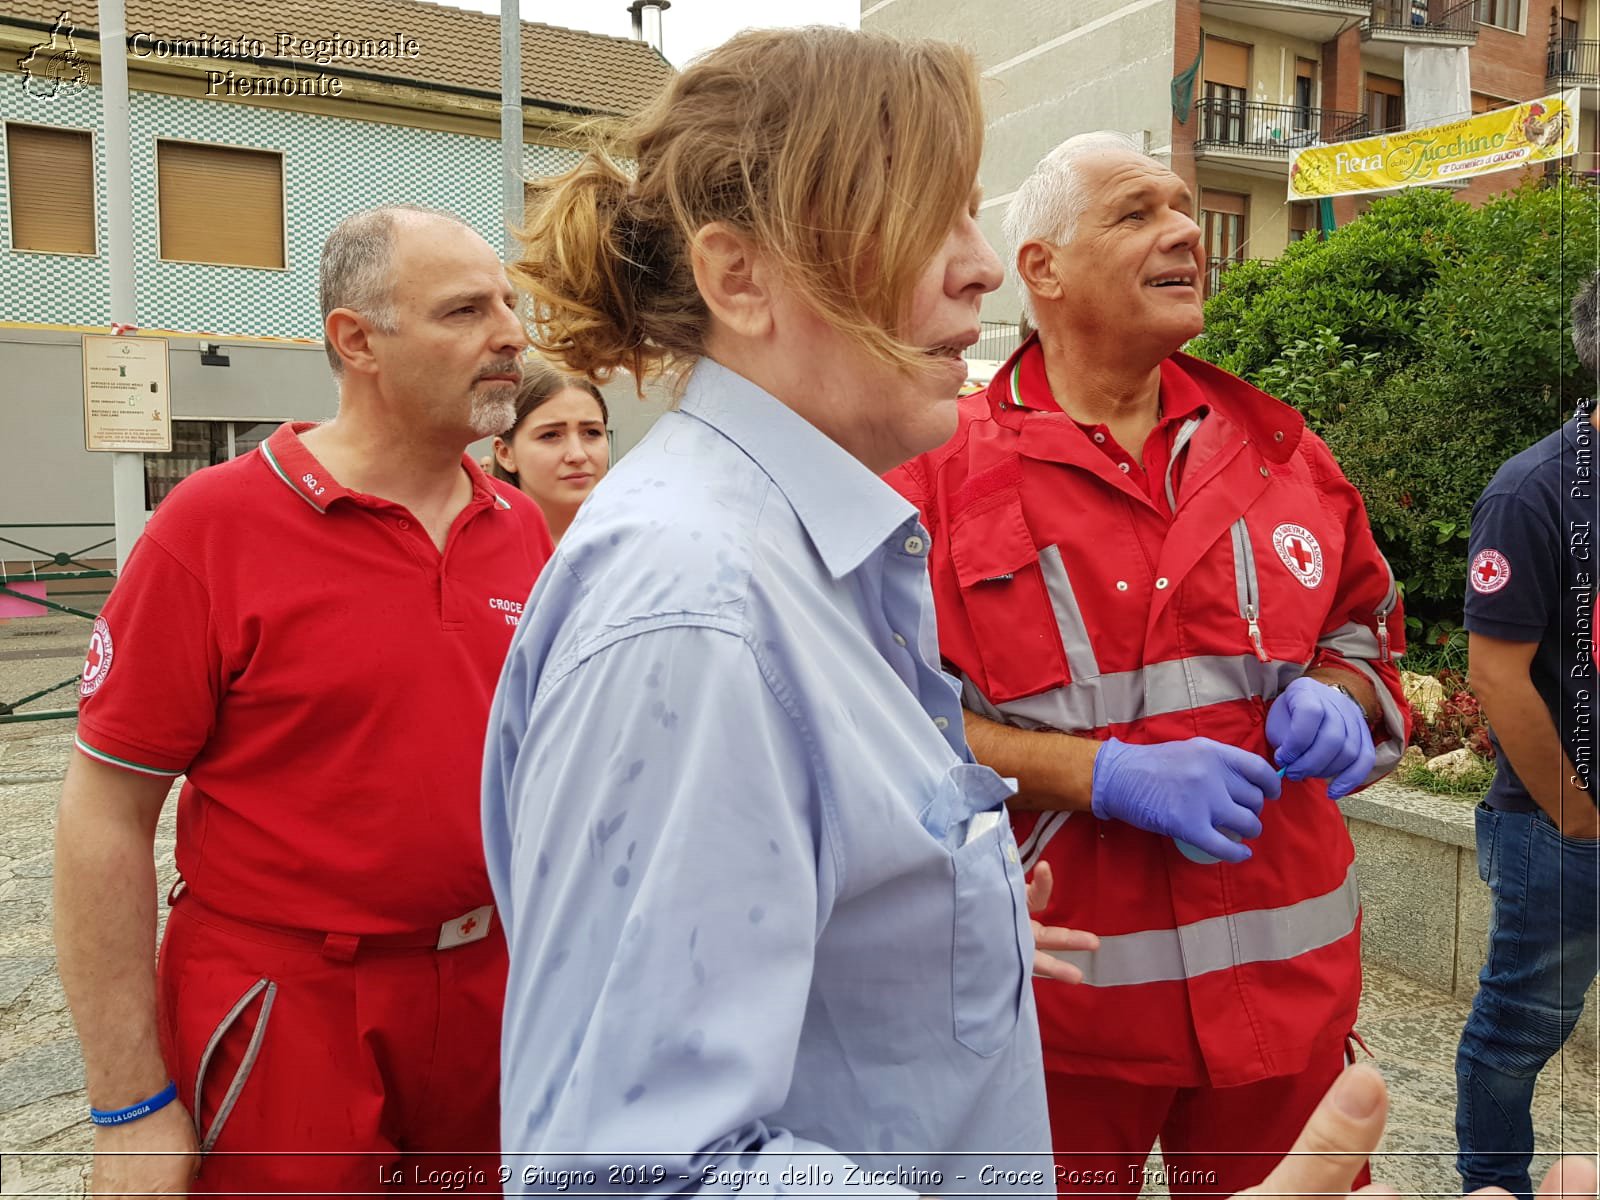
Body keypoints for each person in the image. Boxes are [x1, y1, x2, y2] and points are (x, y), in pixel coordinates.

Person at [886, 130, 1411, 1196]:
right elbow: (884, 725)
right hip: (1056, 1020)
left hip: (1287, 1005)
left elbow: (1365, 627)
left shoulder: (1279, 450)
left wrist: (1342, 692)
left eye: (1182, 208)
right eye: (1136, 214)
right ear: (1040, 269)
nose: (1183, 231)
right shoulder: (935, 475)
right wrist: (1099, 775)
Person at [53, 204, 554, 1196]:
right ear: (355, 340)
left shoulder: (521, 528)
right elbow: (104, 816)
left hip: (495, 996)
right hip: (289, 1008)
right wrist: (129, 1104)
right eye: (465, 311)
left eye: (510, 303)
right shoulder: (212, 527)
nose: (511, 335)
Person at [1454, 271, 1600, 1200]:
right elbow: (1496, 675)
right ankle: (1492, 1186)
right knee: (1518, 1030)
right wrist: (1579, 820)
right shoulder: (1537, 491)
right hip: (1560, 831)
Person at [491, 364, 611, 541]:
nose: (578, 455)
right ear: (505, 453)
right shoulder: (476, 555)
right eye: (550, 435)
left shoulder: (643, 545)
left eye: (592, 432)